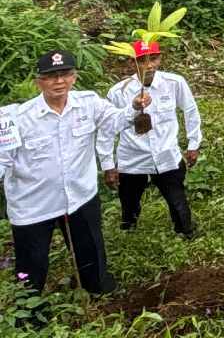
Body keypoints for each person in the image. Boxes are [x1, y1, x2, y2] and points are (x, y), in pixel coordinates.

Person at [1, 51, 150, 300]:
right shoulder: (18, 118)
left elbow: (114, 122)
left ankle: (100, 292)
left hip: (80, 196)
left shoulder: (89, 103)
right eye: (51, 77)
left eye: (65, 75)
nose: (59, 82)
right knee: (31, 264)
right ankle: (28, 314)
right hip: (33, 206)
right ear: (39, 82)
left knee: (91, 251)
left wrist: (134, 107)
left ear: (74, 77)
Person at [98, 41, 201, 238]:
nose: (149, 65)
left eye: (153, 59)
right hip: (132, 158)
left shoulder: (174, 83)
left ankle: (185, 232)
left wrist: (193, 143)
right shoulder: (119, 91)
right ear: (132, 63)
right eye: (142, 61)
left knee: (178, 201)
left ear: (160, 58)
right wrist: (108, 165)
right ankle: (129, 234)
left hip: (166, 155)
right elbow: (107, 128)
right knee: (129, 202)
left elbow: (190, 111)